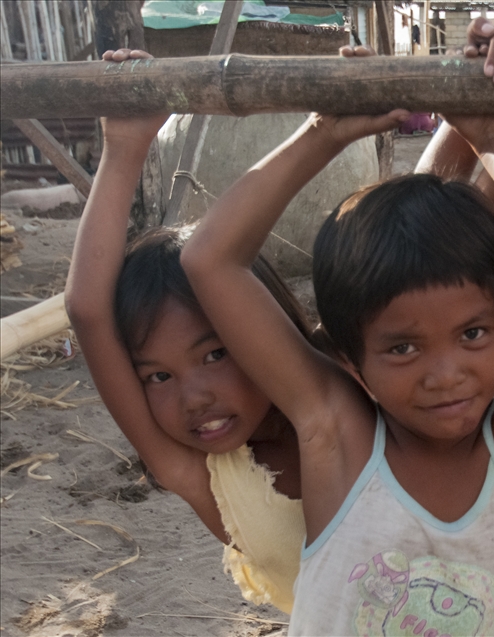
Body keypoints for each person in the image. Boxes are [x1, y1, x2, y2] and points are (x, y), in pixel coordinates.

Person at [180, 36, 494, 637]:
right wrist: (324, 133)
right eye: (402, 348)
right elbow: (209, 260)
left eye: (473, 333)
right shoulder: (337, 437)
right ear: (350, 360)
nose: (445, 373)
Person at [64, 49, 311, 614]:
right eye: (157, 375)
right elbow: (88, 311)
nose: (193, 397)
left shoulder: (339, 390)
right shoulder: (209, 481)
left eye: (216, 353)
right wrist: (125, 149)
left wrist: (323, 132)